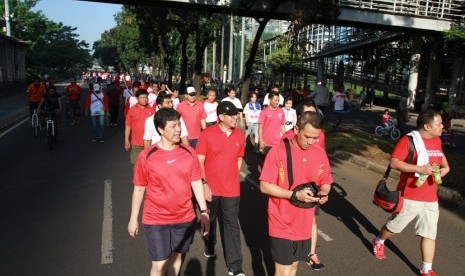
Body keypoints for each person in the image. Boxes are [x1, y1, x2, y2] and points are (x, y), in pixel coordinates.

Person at [128, 108, 210, 276]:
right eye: (173, 126)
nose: (178, 129)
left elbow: (195, 182)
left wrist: (204, 211)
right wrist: (133, 219)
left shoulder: (189, 152)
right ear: (160, 129)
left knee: (176, 258)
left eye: (179, 125)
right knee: (159, 265)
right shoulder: (147, 156)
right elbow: (139, 188)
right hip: (156, 218)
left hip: (184, 217)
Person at [372, 110, 450, 276]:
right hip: (410, 196)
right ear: (427, 126)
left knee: (429, 233)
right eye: (439, 124)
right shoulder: (408, 141)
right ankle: (379, 240)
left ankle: (426, 269)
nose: (442, 126)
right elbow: (394, 163)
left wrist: (446, 167)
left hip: (430, 197)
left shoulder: (436, 140)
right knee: (395, 227)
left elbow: (440, 155)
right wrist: (420, 169)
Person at [260, 111, 332, 276]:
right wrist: (293, 195)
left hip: (304, 223)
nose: (311, 142)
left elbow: (326, 180)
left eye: (315, 137)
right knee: (283, 270)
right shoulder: (278, 151)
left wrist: (323, 192)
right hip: (281, 221)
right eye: (307, 136)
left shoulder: (319, 152)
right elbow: (264, 186)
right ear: (296, 129)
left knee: (293, 268)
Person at [196, 101, 246, 276]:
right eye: (231, 115)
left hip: (231, 190)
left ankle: (235, 266)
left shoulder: (240, 135)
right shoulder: (207, 134)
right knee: (211, 221)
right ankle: (210, 245)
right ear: (221, 117)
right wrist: (204, 184)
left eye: (236, 114)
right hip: (211, 189)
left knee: (231, 225)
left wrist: (233, 176)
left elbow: (239, 159)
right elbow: (199, 161)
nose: (235, 117)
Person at [125, 89, 155, 164]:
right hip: (137, 143)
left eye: (146, 98)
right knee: (137, 165)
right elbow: (128, 125)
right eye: (142, 98)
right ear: (137, 98)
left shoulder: (152, 110)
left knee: (149, 164)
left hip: (150, 143)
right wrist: (126, 139)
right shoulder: (132, 110)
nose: (145, 100)